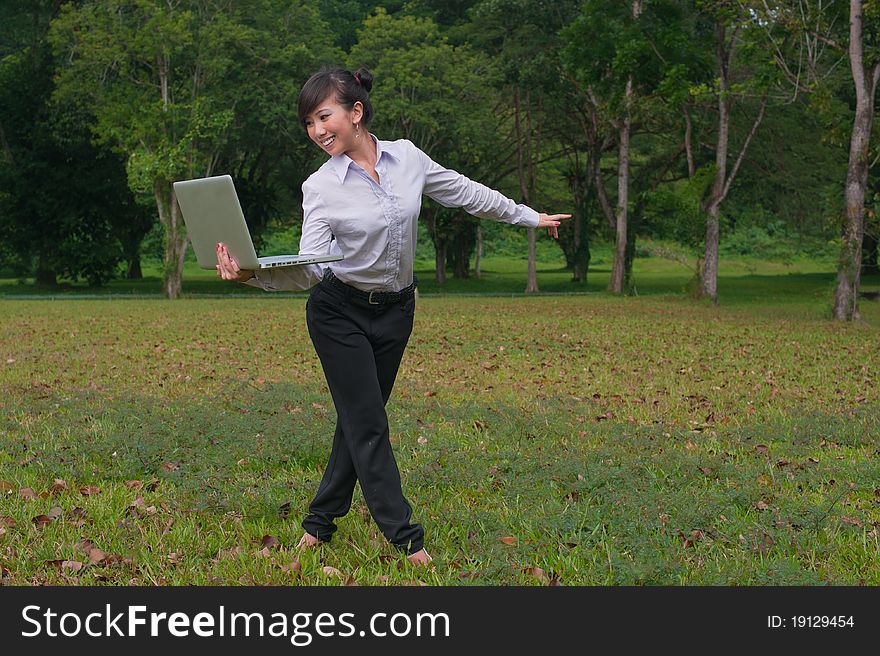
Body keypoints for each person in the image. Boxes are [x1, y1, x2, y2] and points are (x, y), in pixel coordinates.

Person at [215, 66, 570, 566]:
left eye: (323, 117)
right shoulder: (320, 187)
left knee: (357, 422)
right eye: (309, 124)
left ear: (355, 112)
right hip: (339, 312)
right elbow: (313, 266)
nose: (317, 132)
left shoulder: (408, 159)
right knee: (369, 423)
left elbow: (467, 193)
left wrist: (529, 216)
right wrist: (252, 275)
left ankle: (318, 527)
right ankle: (406, 538)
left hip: (397, 311)